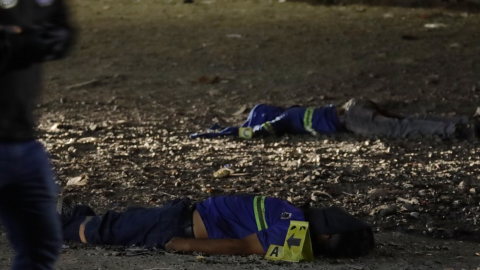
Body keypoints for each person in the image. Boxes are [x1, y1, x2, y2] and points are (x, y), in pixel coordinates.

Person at [0, 1, 75, 269]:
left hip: (23, 141)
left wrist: (20, 37)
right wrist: (27, 38)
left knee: (42, 246)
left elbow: (61, 35)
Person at [59, 195, 375, 257]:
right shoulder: (296, 222)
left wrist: (183, 245)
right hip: (183, 214)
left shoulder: (294, 225)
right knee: (124, 219)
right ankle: (78, 215)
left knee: (107, 231)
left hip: (179, 225)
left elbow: (242, 246)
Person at [189, 99, 480, 140]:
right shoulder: (293, 110)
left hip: (350, 119)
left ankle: (460, 129)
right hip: (353, 105)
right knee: (405, 119)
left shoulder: (281, 119)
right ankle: (464, 119)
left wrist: (221, 134)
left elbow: (255, 132)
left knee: (399, 127)